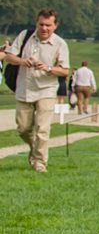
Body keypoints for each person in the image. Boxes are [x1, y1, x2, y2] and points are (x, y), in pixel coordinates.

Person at [2, 9, 70, 173]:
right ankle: (35, 149)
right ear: (36, 23)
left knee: (42, 129)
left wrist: (47, 68)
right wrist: (21, 61)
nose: (44, 28)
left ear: (55, 26)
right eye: (41, 24)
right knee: (23, 128)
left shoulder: (60, 44)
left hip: (46, 90)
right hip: (24, 88)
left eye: (48, 25)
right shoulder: (25, 36)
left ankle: (40, 162)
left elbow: (65, 71)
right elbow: (8, 56)